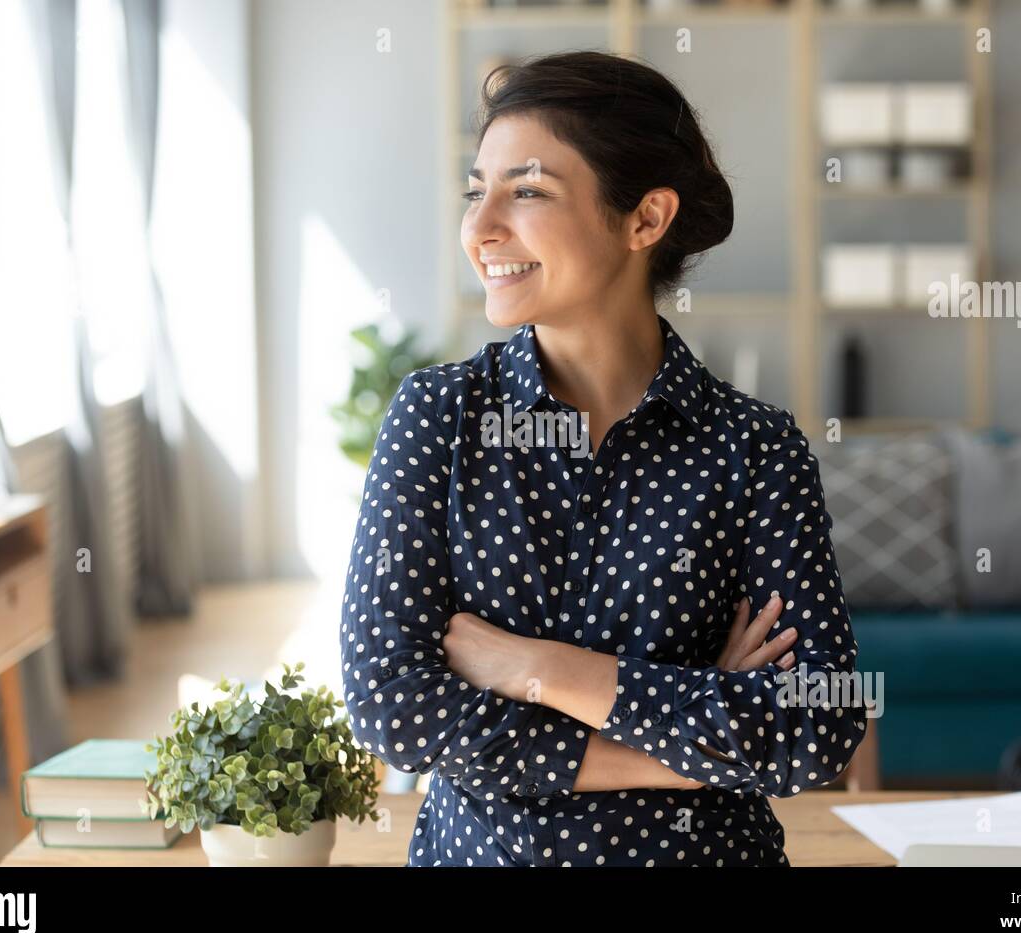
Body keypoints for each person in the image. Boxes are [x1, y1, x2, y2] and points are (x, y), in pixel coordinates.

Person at [339, 50, 868, 867]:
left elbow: (817, 724)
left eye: (527, 191)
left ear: (645, 220)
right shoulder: (439, 418)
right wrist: (698, 747)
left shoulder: (755, 448)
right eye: (477, 191)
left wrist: (533, 667)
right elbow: (393, 707)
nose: (480, 229)